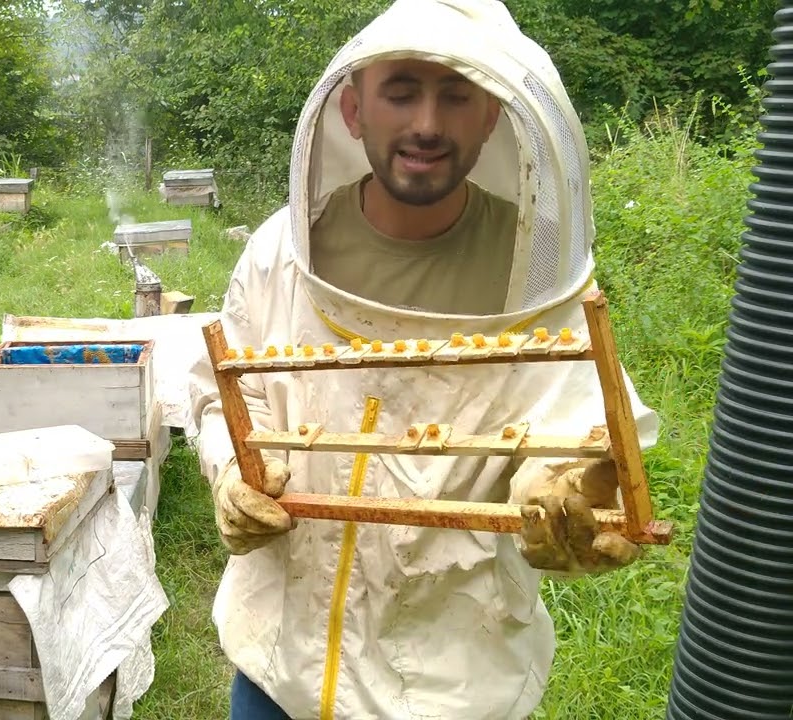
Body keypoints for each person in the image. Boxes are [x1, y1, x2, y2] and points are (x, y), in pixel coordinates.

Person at [187, 1, 660, 718]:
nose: (428, 124)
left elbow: (575, 428)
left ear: (492, 115)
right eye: (402, 92)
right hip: (276, 669)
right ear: (353, 110)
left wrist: (569, 490)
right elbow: (229, 394)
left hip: (446, 690)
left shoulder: (535, 274)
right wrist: (231, 470)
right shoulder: (280, 251)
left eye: (456, 96)